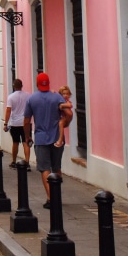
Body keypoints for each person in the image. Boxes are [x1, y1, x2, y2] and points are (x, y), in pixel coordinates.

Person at [23, 73, 72, 209]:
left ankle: (51, 198)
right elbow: (68, 113)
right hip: (57, 137)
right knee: (56, 167)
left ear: (37, 83)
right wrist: (65, 123)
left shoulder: (32, 99)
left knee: (45, 168)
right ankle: (57, 195)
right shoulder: (57, 97)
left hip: (41, 138)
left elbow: (26, 121)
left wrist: (27, 136)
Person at [3, 78, 31, 169]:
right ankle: (27, 162)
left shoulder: (11, 97)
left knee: (15, 142)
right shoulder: (28, 95)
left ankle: (14, 161)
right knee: (25, 142)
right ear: (21, 86)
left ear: (14, 87)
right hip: (25, 122)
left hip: (14, 123)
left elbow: (8, 110)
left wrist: (5, 123)